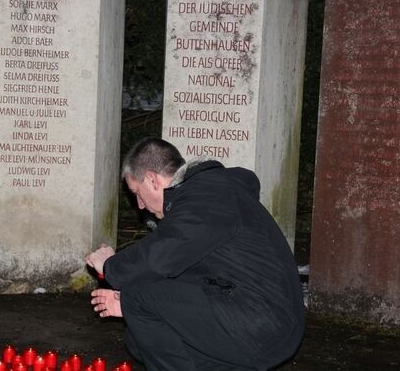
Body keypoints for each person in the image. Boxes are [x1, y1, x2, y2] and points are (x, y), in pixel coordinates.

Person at [86, 138, 304, 370]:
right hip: (252, 313)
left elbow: (160, 257)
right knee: (140, 338)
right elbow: (181, 269)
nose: (139, 205)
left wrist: (110, 266)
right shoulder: (206, 194)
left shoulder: (206, 197)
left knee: (138, 300)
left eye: (137, 193)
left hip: (262, 321)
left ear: (152, 179)